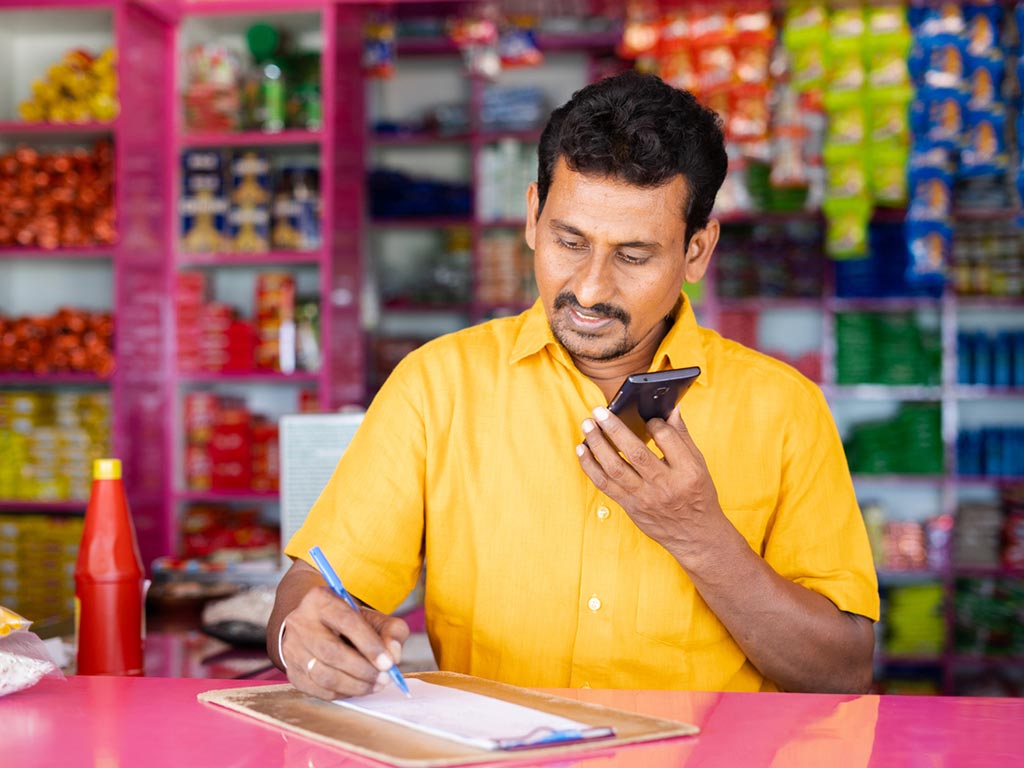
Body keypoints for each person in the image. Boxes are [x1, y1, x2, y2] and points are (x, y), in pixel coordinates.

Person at [268, 71, 879, 699]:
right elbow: (310, 591)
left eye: (633, 256)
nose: (589, 289)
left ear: (697, 251)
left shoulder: (784, 409)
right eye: (569, 241)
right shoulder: (438, 386)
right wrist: (303, 637)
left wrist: (702, 539)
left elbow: (841, 672)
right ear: (533, 216)